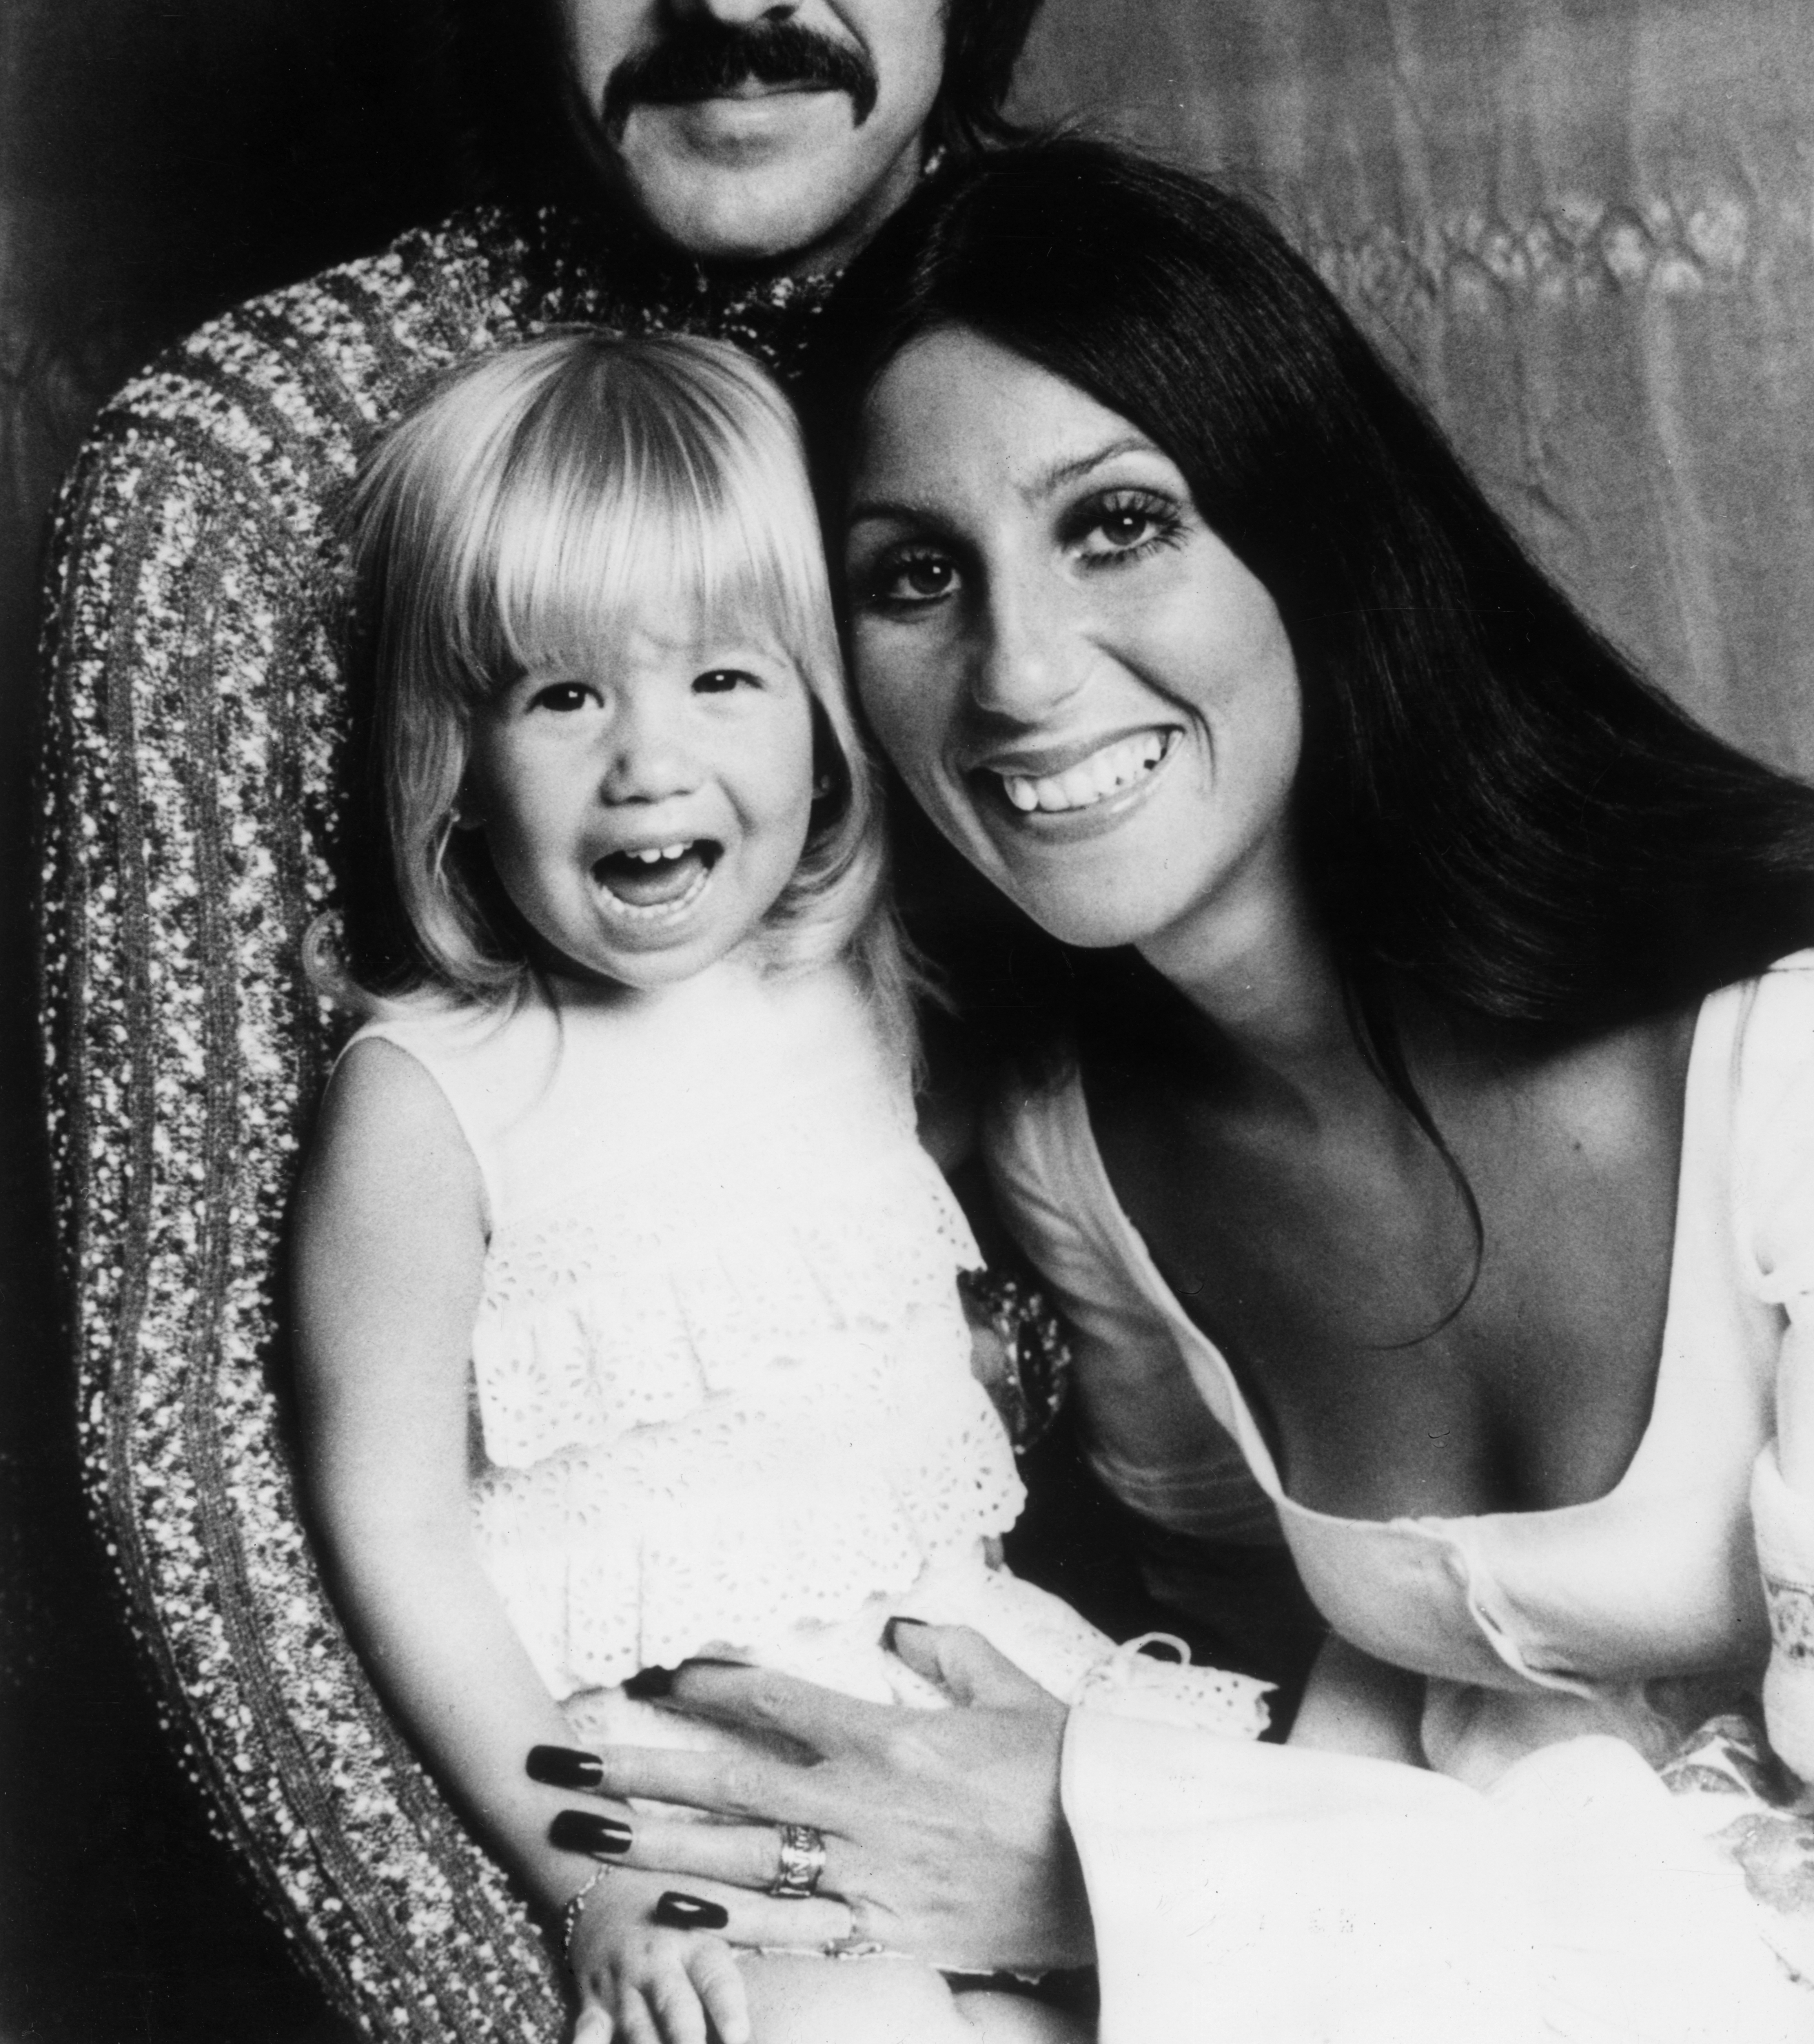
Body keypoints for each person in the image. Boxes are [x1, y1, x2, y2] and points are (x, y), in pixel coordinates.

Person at [38, 0, 1059, 2025]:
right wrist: (552, 1982)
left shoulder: (1092, 371)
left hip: (1080, 1744)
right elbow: (213, 1455)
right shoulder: (251, 466)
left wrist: (1174, 1855)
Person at [539, 141, 1814, 2042]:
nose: (1024, 674)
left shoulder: (1783, 1050)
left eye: (1119, 523)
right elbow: (1259, 1669)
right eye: (914, 578)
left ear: (1315, 538)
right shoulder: (1083, 1152)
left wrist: (1113, 1867)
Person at [290, 325, 1269, 2044]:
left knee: (1249, 1961)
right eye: (563, 691)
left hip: (958, 1680)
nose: (647, 761)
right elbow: (391, 1524)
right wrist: (580, 1868)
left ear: (825, 725)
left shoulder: (848, 981)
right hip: (700, 1786)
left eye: (720, 678)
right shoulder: (434, 1092)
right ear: (454, 757)